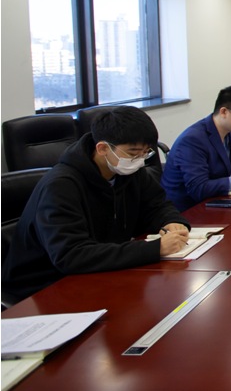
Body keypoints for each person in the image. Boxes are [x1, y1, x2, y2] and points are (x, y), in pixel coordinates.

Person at [2, 107, 191, 302]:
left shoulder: (128, 172)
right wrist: (154, 249)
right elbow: (71, 255)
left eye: (145, 153)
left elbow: (156, 205)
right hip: (42, 289)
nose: (139, 161)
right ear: (102, 148)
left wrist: (171, 221)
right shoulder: (61, 186)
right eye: (133, 153)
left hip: (97, 272)